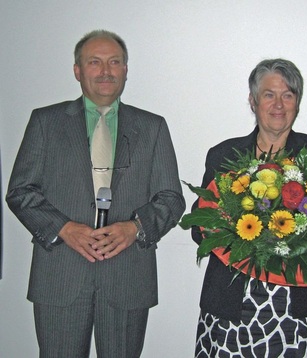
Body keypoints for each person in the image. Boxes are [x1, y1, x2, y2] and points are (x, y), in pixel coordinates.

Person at [6, 30, 185, 357]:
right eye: (95, 62)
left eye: (114, 62)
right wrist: (64, 228)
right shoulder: (45, 122)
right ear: (78, 70)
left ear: (126, 69)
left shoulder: (152, 127)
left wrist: (135, 228)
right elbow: (20, 191)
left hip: (128, 276)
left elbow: (171, 199)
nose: (106, 71)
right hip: (60, 275)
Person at [192, 58, 307, 357]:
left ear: (298, 102)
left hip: (297, 309)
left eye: (288, 95)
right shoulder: (223, 155)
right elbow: (198, 227)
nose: (279, 105)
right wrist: (234, 229)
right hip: (232, 305)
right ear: (253, 101)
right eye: (269, 94)